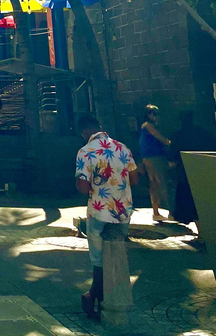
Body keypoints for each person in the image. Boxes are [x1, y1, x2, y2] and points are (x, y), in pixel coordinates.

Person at [75, 114, 139, 320]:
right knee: (116, 252)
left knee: (98, 259)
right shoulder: (122, 147)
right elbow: (135, 179)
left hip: (99, 211)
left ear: (84, 132)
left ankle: (94, 295)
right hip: (123, 211)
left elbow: (83, 187)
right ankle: (102, 297)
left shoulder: (85, 152)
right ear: (100, 127)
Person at [170, 111, 216, 238]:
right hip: (205, 169)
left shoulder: (179, 135)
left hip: (185, 173)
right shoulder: (203, 133)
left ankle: (202, 234)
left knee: (191, 204)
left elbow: (173, 154)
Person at [139, 104, 172, 221]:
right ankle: (170, 211)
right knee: (161, 182)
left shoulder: (147, 126)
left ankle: (156, 211)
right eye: (153, 114)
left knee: (155, 184)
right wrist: (171, 143)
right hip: (154, 157)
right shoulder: (148, 126)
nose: (156, 116)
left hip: (150, 157)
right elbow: (161, 139)